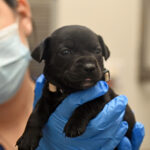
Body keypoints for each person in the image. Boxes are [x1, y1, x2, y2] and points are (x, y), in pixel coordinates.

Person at [0, 0, 144, 150]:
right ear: (45, 56)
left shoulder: (101, 93)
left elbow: (100, 104)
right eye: (66, 52)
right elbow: (41, 112)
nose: (89, 64)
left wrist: (82, 116)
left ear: (22, 14)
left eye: (96, 52)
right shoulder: (48, 93)